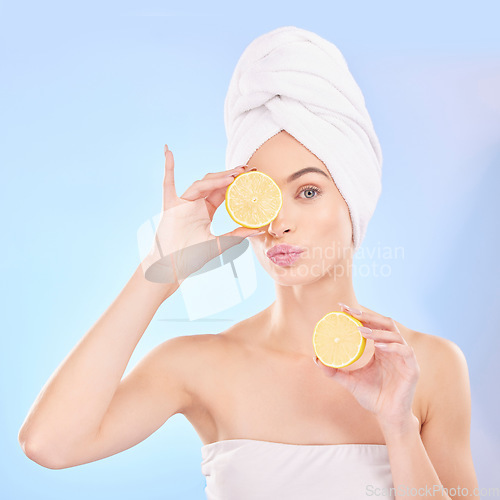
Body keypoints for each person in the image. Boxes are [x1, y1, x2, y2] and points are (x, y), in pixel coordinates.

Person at [18, 26, 479, 500]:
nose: (279, 222)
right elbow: (49, 444)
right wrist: (158, 272)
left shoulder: (428, 367)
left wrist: (397, 427)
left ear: (354, 201)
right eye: (261, 194)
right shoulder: (199, 365)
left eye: (308, 191)